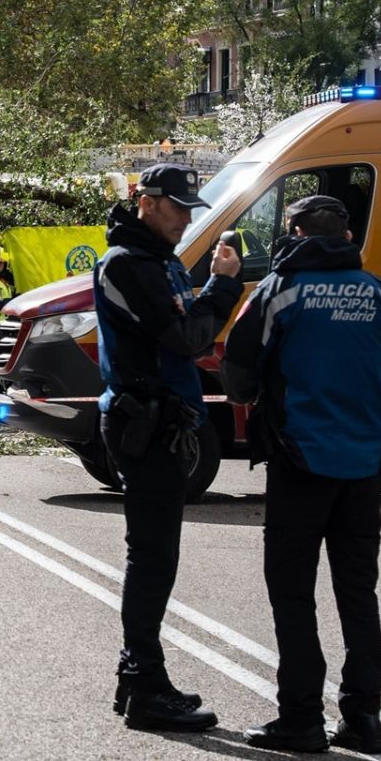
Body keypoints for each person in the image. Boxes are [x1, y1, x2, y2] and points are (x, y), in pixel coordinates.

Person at [222, 195, 381, 754]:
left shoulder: (278, 292)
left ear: (295, 233)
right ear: (348, 236)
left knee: (293, 595)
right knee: (359, 593)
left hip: (299, 462)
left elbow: (237, 374)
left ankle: (301, 720)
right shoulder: (379, 294)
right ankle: (364, 719)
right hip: (364, 467)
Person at [94, 162, 243, 732]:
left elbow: (185, 328)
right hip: (146, 423)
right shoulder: (129, 264)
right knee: (153, 559)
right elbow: (184, 335)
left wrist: (209, 290)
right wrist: (224, 287)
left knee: (157, 557)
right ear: (146, 201)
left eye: (190, 209)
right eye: (177, 208)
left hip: (165, 420)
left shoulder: (159, 262)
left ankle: (137, 679)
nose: (185, 219)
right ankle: (146, 683)